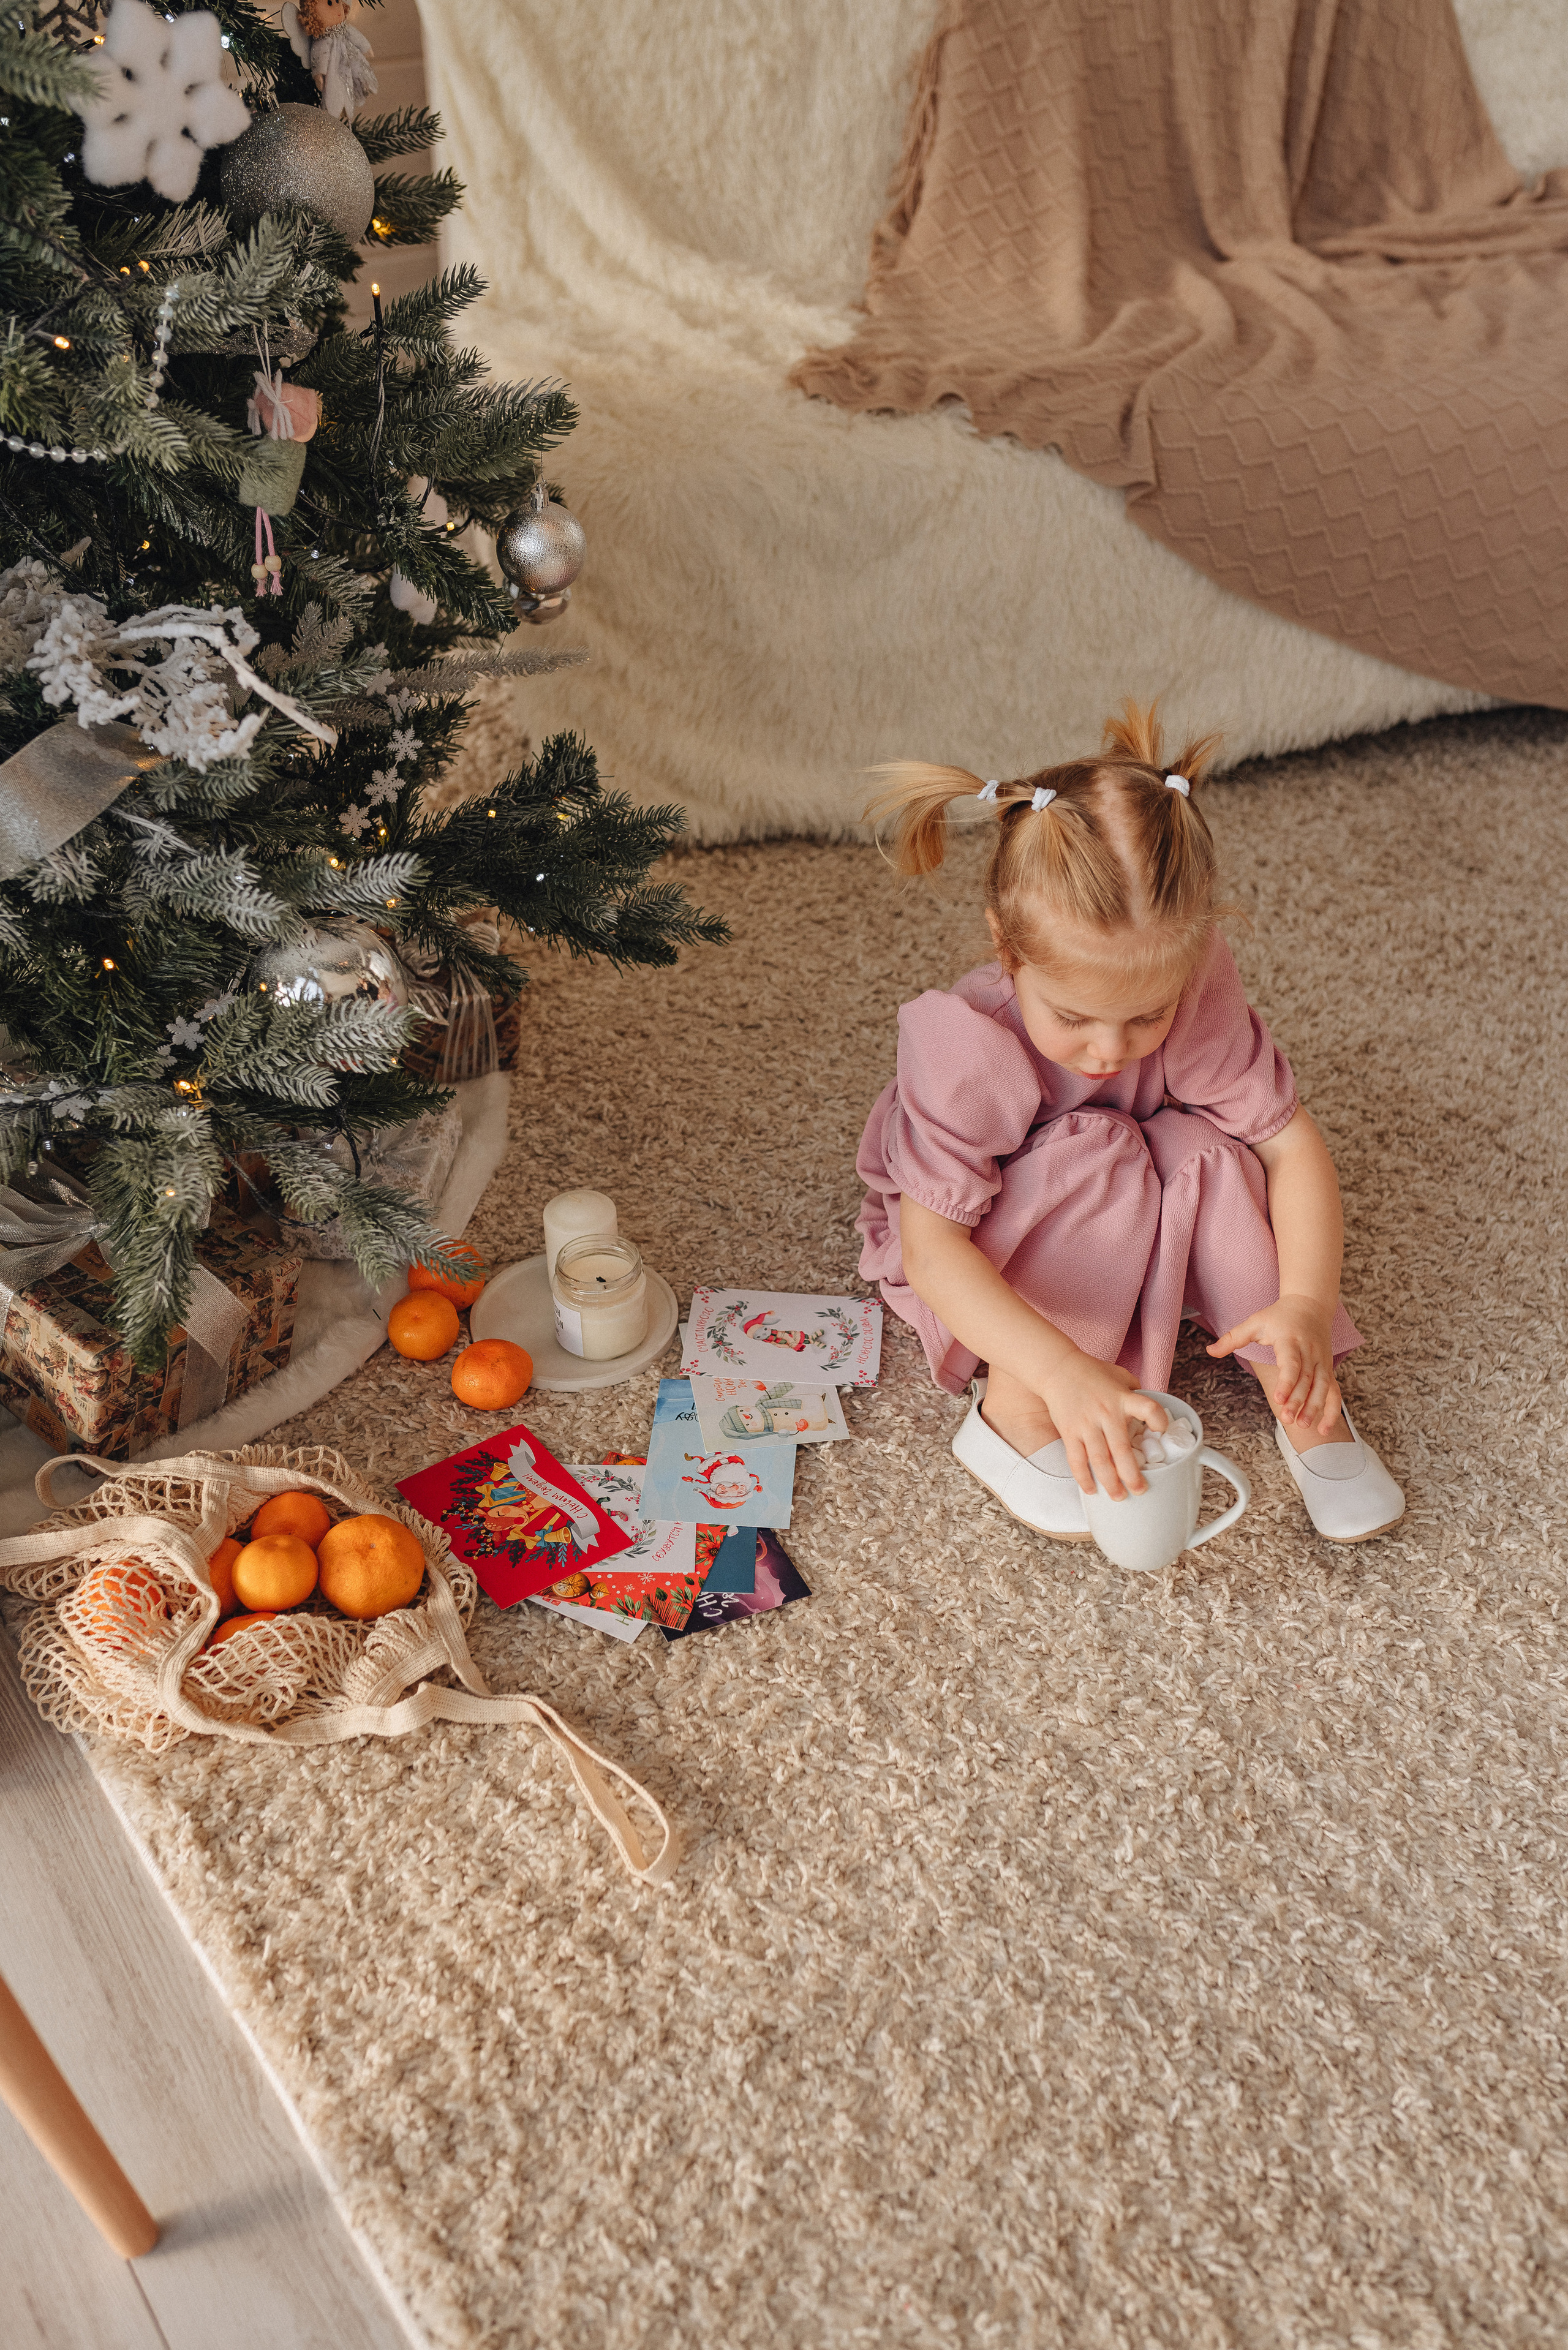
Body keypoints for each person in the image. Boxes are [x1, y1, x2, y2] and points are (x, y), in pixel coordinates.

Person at [855, 706, 1404, 1546]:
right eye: (1074, 1016)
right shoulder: (967, 1045)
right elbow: (934, 1253)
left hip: (1141, 1200)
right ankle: (1014, 1407)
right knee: (1099, 1148)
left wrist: (1305, 1302)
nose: (1110, 1049)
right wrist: (1059, 1370)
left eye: (1147, 1015)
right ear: (1008, 949)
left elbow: (1291, 1146)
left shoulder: (1191, 988)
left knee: (1209, 1150)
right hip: (989, 1247)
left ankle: (1302, 1389)